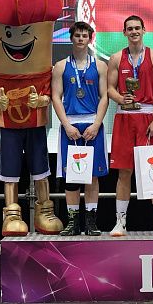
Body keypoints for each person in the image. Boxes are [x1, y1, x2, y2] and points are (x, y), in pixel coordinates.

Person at [0, 0, 63, 237]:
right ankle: (11, 213)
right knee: (10, 167)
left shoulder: (45, 72)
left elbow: (50, 95)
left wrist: (41, 100)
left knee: (41, 165)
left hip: (35, 125)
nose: (17, 37)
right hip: (10, 128)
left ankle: (44, 209)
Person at [107, 15, 153, 237]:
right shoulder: (116, 58)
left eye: (137, 28)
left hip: (147, 117)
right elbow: (110, 88)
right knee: (124, 172)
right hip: (124, 118)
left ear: (144, 30)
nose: (134, 31)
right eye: (130, 29)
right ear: (124, 32)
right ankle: (120, 223)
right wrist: (119, 98)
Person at [52, 21, 109, 236]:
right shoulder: (60, 66)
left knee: (93, 176)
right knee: (72, 176)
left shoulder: (100, 66)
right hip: (71, 126)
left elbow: (105, 97)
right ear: (71, 38)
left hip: (93, 125)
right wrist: (66, 125)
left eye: (85, 35)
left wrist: (97, 124)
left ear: (90, 39)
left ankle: (91, 222)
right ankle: (73, 222)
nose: (81, 39)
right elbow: (56, 97)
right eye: (77, 35)